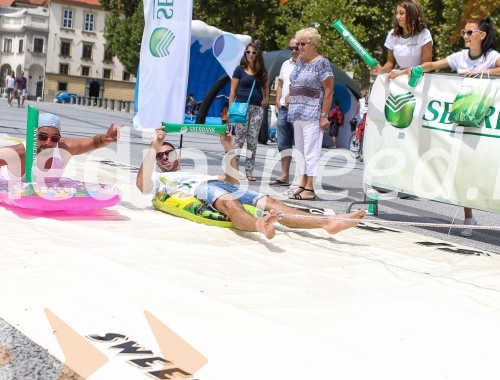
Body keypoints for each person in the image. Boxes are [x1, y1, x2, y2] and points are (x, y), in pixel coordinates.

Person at [390, 17, 500, 236]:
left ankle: (492, 208)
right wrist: (403, 71)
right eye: (464, 33)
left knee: (479, 168)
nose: (465, 36)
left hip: (484, 119)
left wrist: (481, 73)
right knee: (459, 167)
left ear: (482, 35)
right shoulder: (460, 56)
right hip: (461, 116)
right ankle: (469, 218)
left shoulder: (491, 56)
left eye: (469, 32)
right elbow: (432, 65)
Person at [137, 127, 365, 240]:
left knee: (274, 202)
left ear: (178, 156)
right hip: (200, 191)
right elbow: (141, 185)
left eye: (168, 153)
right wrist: (153, 148)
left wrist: (229, 149)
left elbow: (232, 179)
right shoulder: (159, 178)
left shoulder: (194, 171)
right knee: (229, 204)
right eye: (160, 156)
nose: (164, 158)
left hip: (215, 184)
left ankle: (327, 222)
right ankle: (259, 226)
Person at [0, 113, 121, 178]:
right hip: (0, 171)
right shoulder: (21, 151)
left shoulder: (63, 147)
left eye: (54, 138)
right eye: (43, 136)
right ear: (34, 135)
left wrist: (104, 139)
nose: (48, 143)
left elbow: (93, 142)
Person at [287, 27, 334, 201]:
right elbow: (295, 82)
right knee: (299, 151)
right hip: (297, 112)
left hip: (313, 113)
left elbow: (328, 90)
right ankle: (302, 183)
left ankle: (310, 187)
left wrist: (324, 115)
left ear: (313, 44)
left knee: (311, 152)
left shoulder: (322, 63)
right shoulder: (300, 61)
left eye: (303, 44)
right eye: (298, 43)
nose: (299, 47)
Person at [228, 42, 268, 182]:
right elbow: (232, 91)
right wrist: (230, 110)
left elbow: (265, 86)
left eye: (253, 52)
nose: (250, 55)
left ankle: (249, 170)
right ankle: (234, 169)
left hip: (256, 108)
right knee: (239, 140)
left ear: (258, 55)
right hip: (241, 108)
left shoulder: (261, 71)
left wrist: (266, 97)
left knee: (252, 140)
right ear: (245, 54)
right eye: (248, 52)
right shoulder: (239, 70)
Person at [371, 0, 433, 75]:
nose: (397, 17)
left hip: (418, 80)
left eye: (401, 13)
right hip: (399, 79)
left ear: (412, 15)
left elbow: (427, 66)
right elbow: (390, 63)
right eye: (397, 13)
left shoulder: (424, 33)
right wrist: (381, 70)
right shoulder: (392, 34)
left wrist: (402, 72)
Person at [270, 38, 300, 186]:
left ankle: (302, 179)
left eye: (296, 48)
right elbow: (281, 83)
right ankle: (284, 176)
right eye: (291, 48)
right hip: (284, 108)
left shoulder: (306, 64)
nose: (294, 50)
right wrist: (277, 99)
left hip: (300, 108)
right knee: (283, 142)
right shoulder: (285, 64)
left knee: (301, 144)